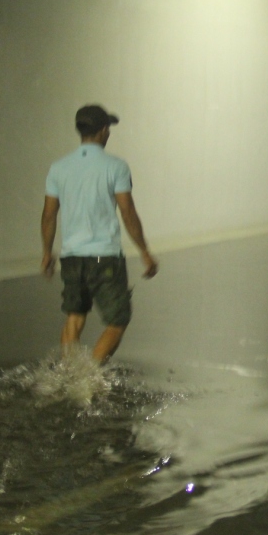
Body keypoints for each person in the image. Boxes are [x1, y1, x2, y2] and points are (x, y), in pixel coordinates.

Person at [41, 104, 158, 364]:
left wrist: (47, 253)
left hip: (72, 257)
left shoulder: (58, 168)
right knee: (118, 320)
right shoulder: (116, 167)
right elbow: (127, 213)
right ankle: (89, 376)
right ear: (104, 131)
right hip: (104, 257)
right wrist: (145, 252)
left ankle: (70, 375)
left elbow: (49, 215)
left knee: (75, 316)